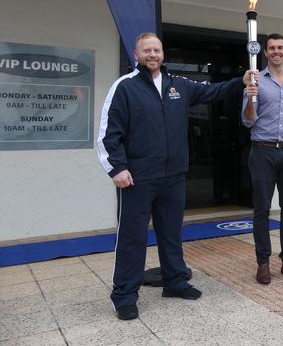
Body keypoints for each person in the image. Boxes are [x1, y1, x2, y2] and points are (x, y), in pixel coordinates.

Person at [97, 32, 256, 320]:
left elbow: (214, 92)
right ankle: (124, 296)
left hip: (172, 177)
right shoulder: (124, 87)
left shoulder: (178, 85)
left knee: (171, 234)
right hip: (138, 178)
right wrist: (116, 168)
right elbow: (109, 133)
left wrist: (241, 81)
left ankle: (174, 282)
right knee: (132, 238)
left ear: (163, 53)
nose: (152, 55)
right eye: (147, 51)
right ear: (137, 55)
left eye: (156, 50)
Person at [242, 33, 283, 285]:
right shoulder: (256, 80)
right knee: (261, 208)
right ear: (265, 52)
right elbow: (248, 120)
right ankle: (263, 262)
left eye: (280, 47)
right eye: (271, 48)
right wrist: (251, 97)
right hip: (263, 151)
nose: (276, 51)